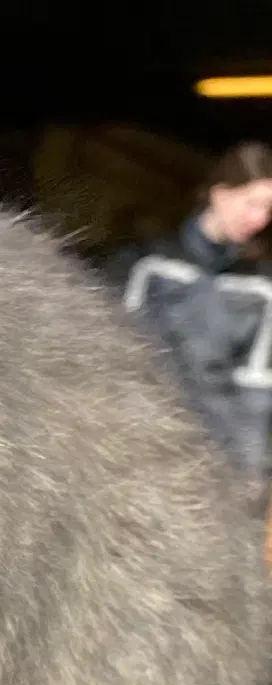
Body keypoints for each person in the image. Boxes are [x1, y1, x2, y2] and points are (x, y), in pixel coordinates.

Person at [109, 142, 272, 488]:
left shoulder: (260, 286)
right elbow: (109, 358)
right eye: (253, 204)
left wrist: (252, 474)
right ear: (221, 195)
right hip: (140, 451)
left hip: (215, 464)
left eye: (269, 209)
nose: (260, 219)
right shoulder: (145, 266)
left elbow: (257, 391)